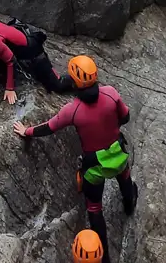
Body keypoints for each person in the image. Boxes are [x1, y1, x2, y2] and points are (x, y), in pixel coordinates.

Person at [13, 56, 139, 263]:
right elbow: (125, 117)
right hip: (117, 152)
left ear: (74, 82)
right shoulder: (111, 93)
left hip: (94, 165)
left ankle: (103, 257)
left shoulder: (73, 110)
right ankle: (129, 203)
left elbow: (49, 127)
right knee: (124, 177)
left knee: (95, 209)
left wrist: (26, 131)